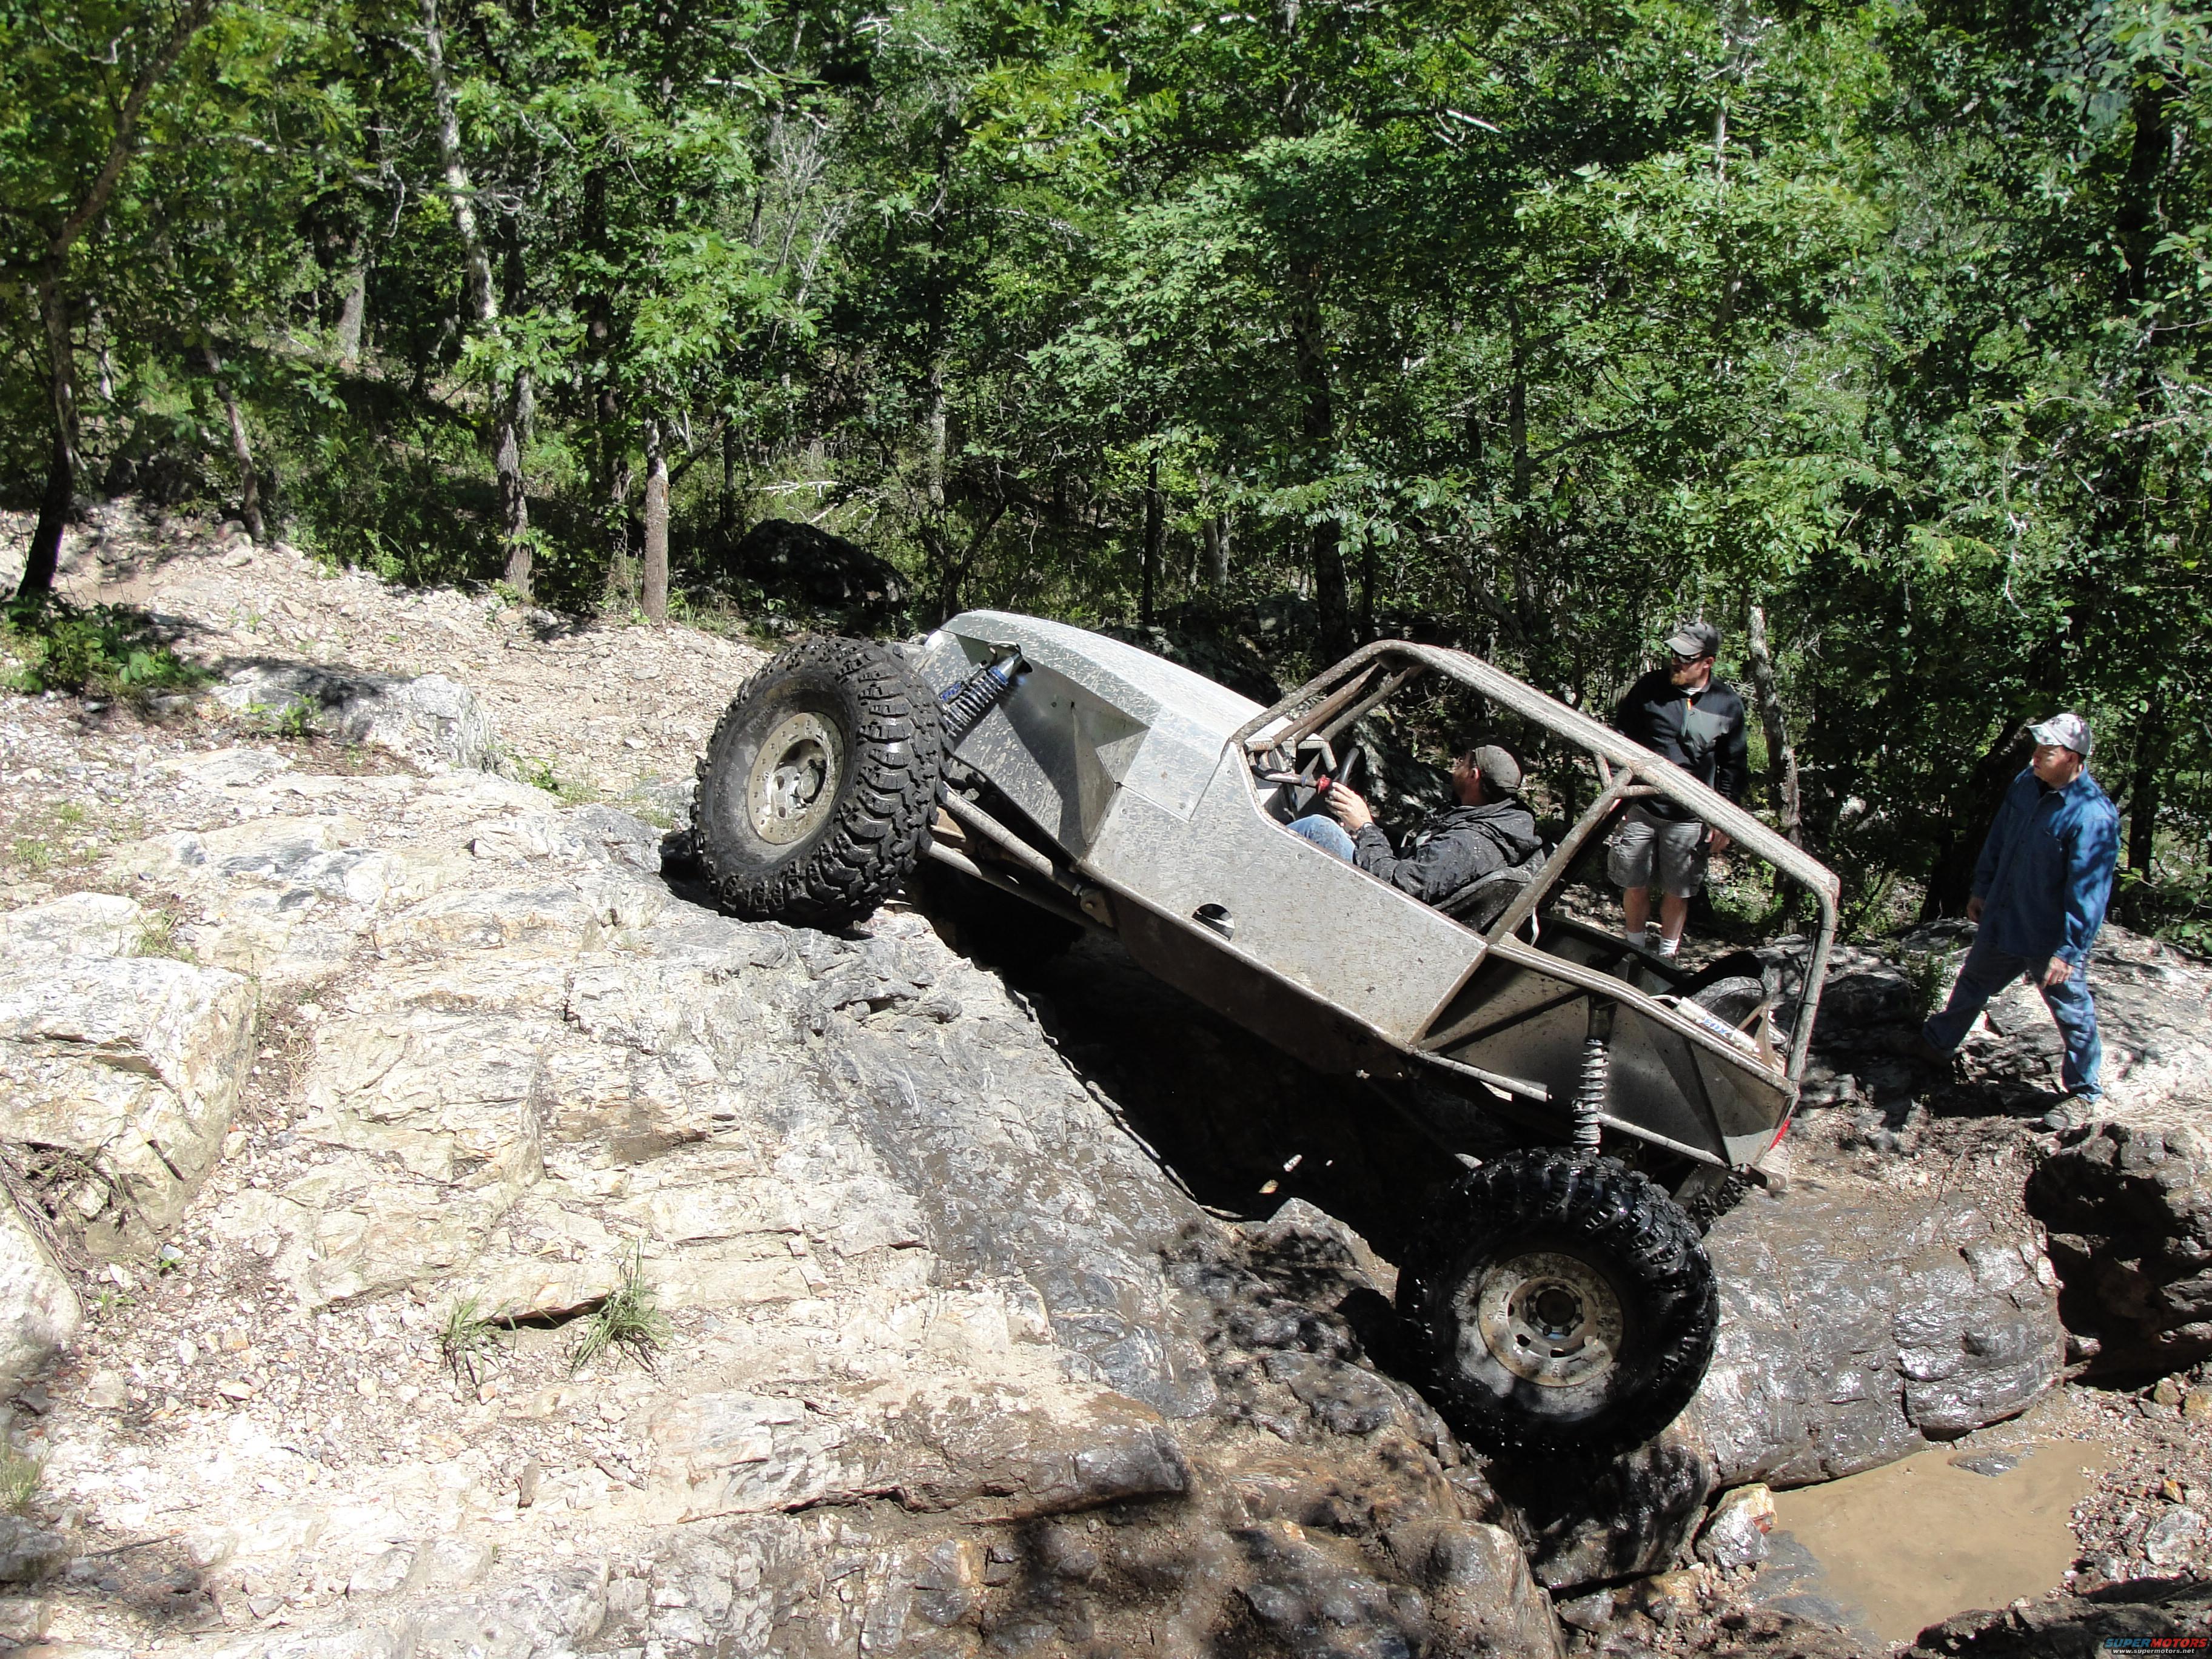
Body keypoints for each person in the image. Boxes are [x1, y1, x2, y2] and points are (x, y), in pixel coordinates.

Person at [1916, 712, 2120, 1117]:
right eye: (2038, 747)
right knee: (1973, 981)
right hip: (2005, 915)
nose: (2036, 757)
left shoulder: (2093, 816)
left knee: (2071, 1010)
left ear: (2072, 758)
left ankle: (2084, 1092)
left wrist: (2070, 950)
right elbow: (1999, 838)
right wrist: (1982, 887)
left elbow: (2089, 891)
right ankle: (1936, 1045)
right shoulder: (2026, 783)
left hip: (2048, 935)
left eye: (2048, 750)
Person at [1608, 619, 1749, 957]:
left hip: (1689, 817)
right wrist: (1615, 791)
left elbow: (1733, 766)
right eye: (1674, 654)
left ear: (1708, 662)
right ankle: (1632, 952)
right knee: (1634, 883)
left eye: (1686, 658)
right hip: (1639, 806)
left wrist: (1725, 820)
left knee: (1678, 891)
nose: (1677, 662)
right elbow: (1620, 737)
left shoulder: (1727, 704)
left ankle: (1665, 958)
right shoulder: (1650, 688)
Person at [1286, 743, 1541, 907]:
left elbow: (1398, 886)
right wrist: (1365, 829)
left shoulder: (1468, 845)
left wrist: (1365, 828)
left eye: (1463, 762)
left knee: (1318, 829)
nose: (1456, 765)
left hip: (1387, 908)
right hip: (1399, 896)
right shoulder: (1488, 816)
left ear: (1473, 776)